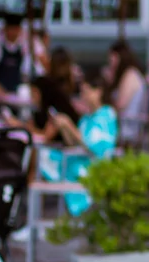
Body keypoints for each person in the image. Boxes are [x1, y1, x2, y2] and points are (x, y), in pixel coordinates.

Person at [47, 74, 118, 216]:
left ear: (98, 91)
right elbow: (73, 144)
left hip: (94, 165)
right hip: (78, 160)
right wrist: (64, 128)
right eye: (82, 93)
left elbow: (92, 146)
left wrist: (69, 125)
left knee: (46, 161)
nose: (83, 96)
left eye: (86, 92)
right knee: (44, 158)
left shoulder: (106, 114)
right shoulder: (86, 117)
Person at [0, 13, 45, 95]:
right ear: (5, 28)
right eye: (10, 29)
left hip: (15, 90)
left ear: (19, 29)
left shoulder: (28, 39)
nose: (13, 33)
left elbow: (44, 60)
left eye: (15, 30)